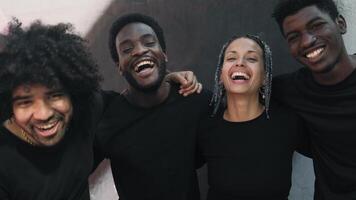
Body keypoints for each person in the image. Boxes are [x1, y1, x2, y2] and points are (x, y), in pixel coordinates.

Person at [94, 13, 211, 200]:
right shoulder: (109, 119)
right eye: (126, 49)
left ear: (164, 54)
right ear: (119, 66)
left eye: (149, 43)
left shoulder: (194, 100)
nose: (139, 51)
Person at [0, 21, 102, 200]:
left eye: (54, 96)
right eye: (25, 102)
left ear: (73, 93)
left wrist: (168, 85)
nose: (43, 114)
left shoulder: (87, 113)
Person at [198, 34, 306, 200]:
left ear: (264, 77)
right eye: (231, 57)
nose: (240, 63)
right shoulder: (206, 127)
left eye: (251, 58)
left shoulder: (288, 122)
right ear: (220, 75)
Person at [272, 0, 356, 199]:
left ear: (341, 24)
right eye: (294, 37)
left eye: (316, 26)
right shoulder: (289, 90)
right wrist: (184, 78)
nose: (307, 41)